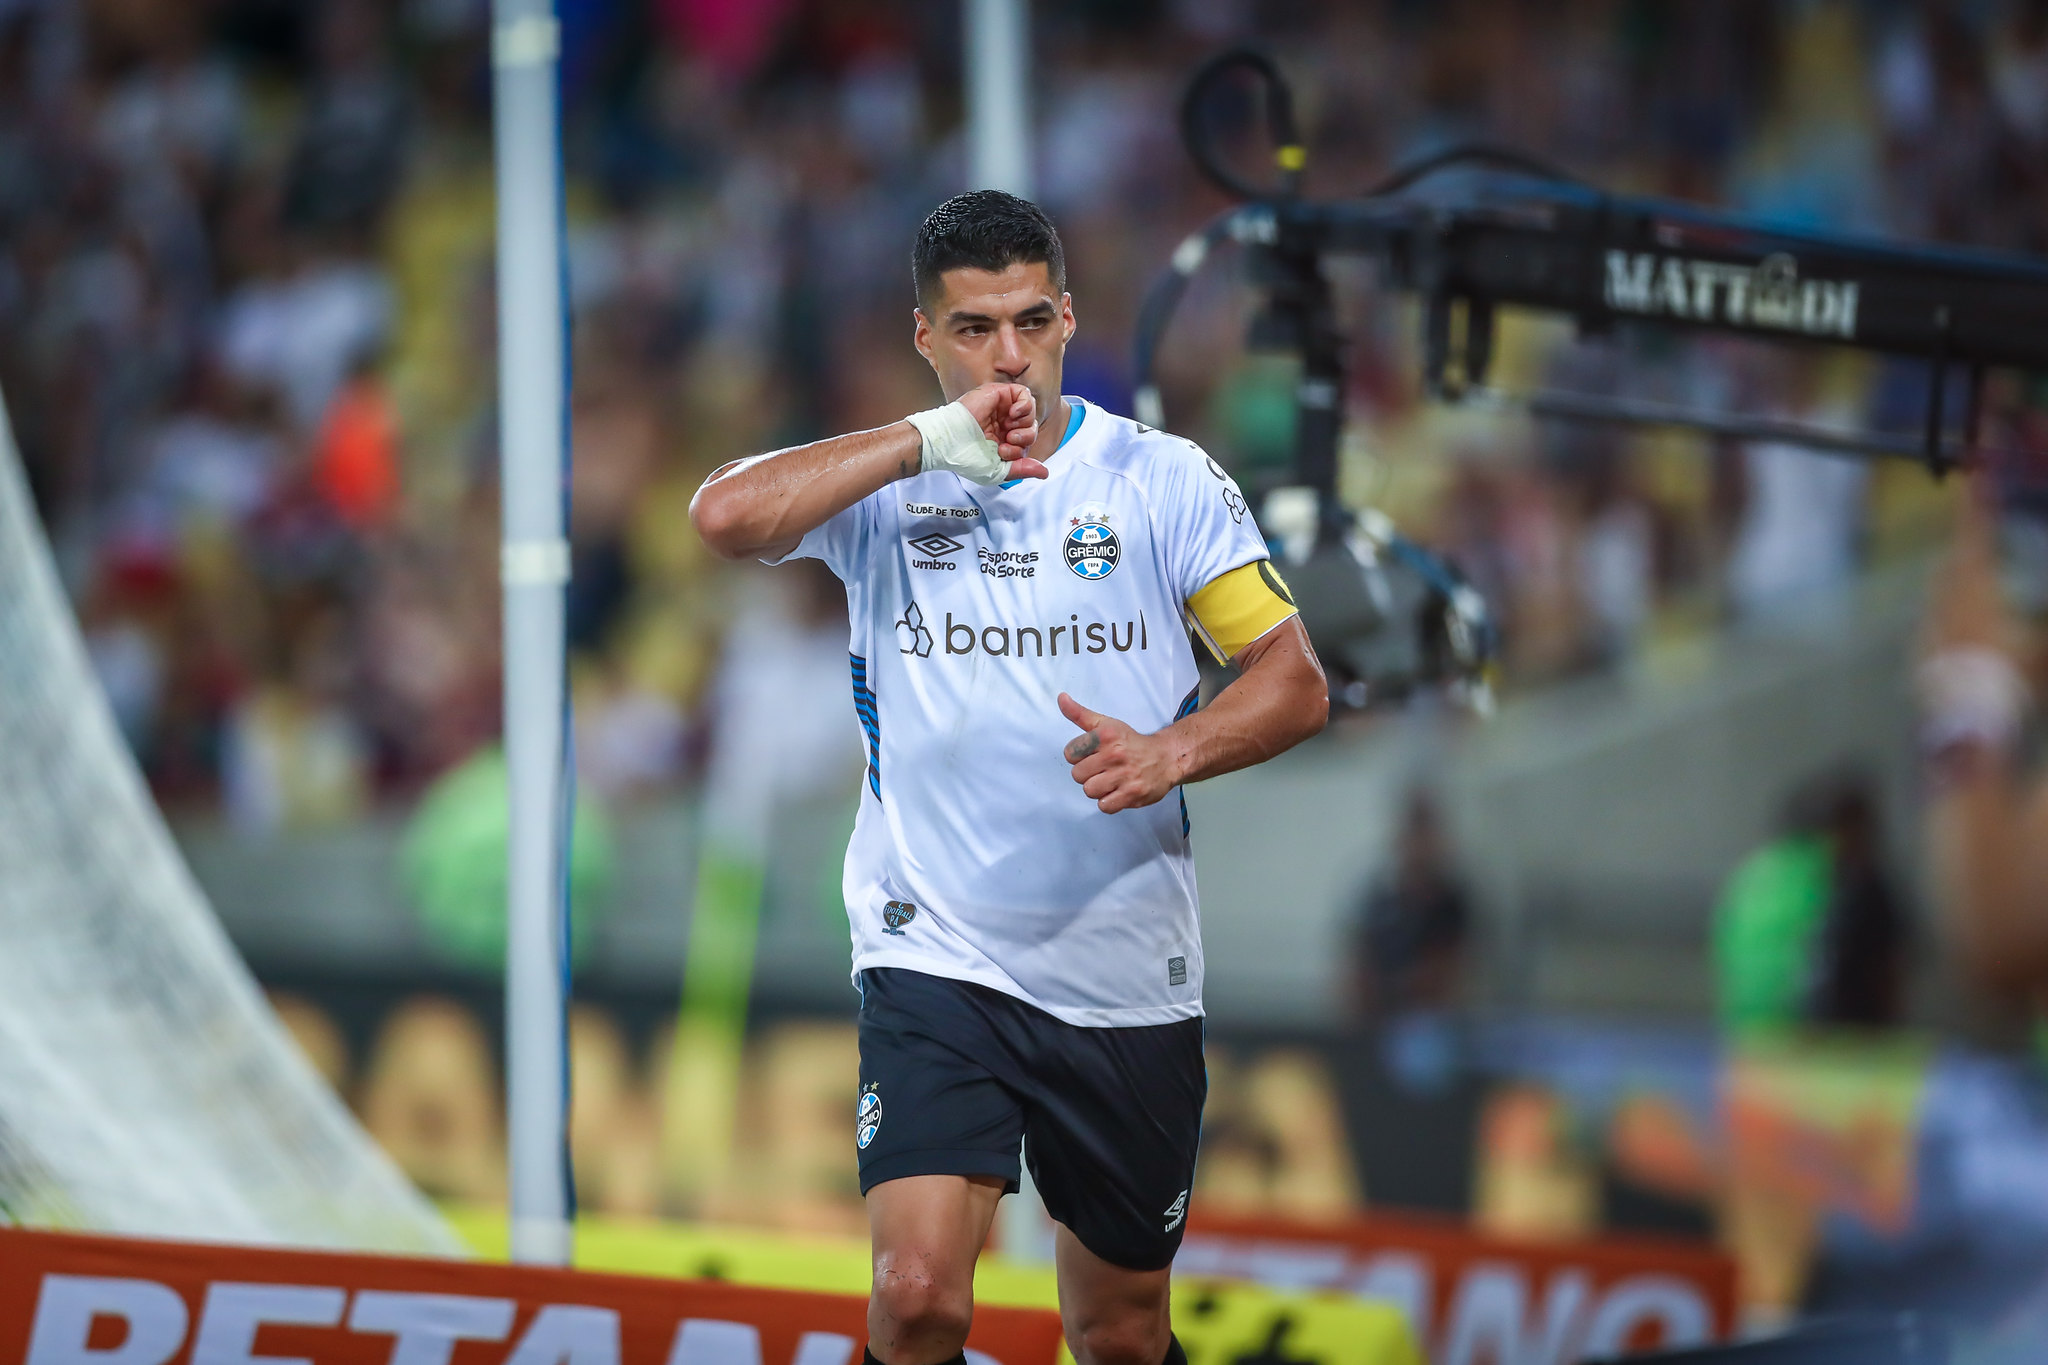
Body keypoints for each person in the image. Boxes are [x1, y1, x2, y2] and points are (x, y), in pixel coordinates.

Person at [689, 190, 1328, 1365]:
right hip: (933, 950)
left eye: (1030, 322)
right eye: (974, 329)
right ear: (924, 339)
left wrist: (1170, 750)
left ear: (1070, 320)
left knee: (1121, 1332)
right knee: (920, 1295)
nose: (1009, 357)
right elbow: (724, 514)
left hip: (1123, 969)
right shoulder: (882, 482)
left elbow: (1291, 681)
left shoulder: (1160, 480)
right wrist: (931, 441)